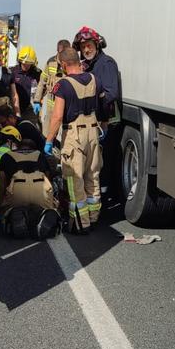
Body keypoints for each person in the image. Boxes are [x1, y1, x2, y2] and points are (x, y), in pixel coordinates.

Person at [44, 47, 102, 235]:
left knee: (74, 179)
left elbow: (57, 116)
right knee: (92, 175)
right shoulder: (94, 79)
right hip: (93, 130)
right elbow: (104, 107)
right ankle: (93, 218)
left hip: (74, 134)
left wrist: (49, 140)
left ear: (63, 64)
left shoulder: (63, 85)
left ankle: (80, 222)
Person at [74, 26, 122, 198]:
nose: (86, 49)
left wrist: (89, 102)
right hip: (93, 121)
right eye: (83, 46)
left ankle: (103, 202)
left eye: (89, 45)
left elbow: (111, 93)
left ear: (97, 44)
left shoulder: (106, 63)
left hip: (106, 122)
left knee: (101, 165)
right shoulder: (87, 66)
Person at [0, 138, 60, 239]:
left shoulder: (6, 156)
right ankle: (44, 216)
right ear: (33, 149)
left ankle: (14, 213)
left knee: (9, 209)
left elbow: (2, 184)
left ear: (18, 146)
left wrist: (2, 206)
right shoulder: (39, 155)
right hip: (40, 189)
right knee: (49, 207)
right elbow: (48, 180)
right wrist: (53, 203)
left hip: (17, 190)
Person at [33, 39, 68, 130]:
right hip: (51, 110)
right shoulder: (51, 62)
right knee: (46, 136)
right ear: (57, 51)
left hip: (66, 110)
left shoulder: (72, 63)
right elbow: (42, 82)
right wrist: (37, 100)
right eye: (61, 53)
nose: (63, 56)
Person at [10, 46, 42, 126]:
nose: (26, 66)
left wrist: (38, 101)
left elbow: (42, 87)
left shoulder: (37, 73)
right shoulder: (12, 72)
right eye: (24, 63)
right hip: (14, 107)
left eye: (29, 64)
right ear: (20, 61)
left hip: (30, 108)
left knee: (29, 130)